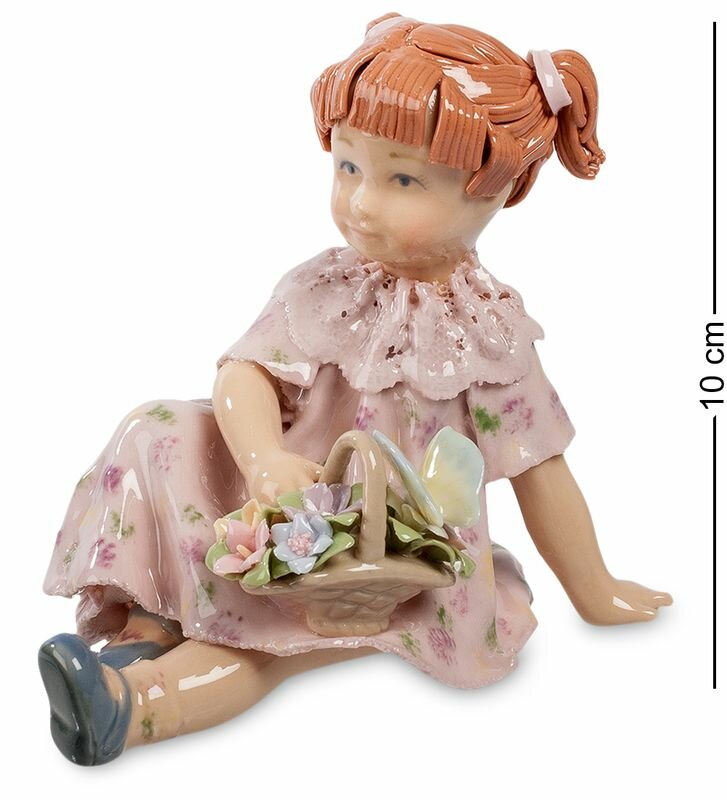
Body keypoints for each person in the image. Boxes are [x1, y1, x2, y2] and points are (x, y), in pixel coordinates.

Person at [39, 13, 672, 766]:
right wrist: (264, 457)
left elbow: (541, 470)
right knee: (157, 426)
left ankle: (131, 706)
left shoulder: (487, 333)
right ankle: (148, 625)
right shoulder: (327, 285)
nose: (361, 201)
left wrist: (595, 589)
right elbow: (247, 372)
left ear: (494, 190)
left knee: (273, 642)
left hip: (384, 554)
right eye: (346, 167)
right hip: (277, 498)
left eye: (402, 179)